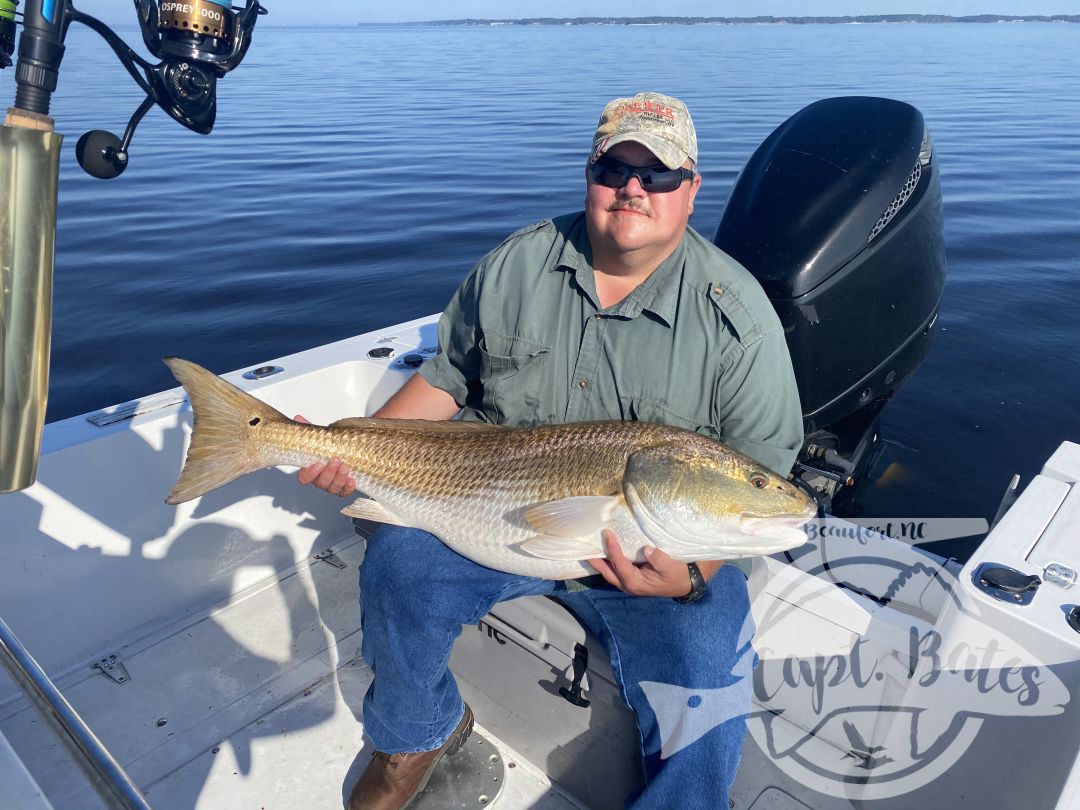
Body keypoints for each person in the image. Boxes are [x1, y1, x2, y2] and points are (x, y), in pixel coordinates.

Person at [298, 92, 804, 810]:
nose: (633, 189)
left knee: (708, 666)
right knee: (400, 567)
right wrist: (351, 448)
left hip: (662, 552)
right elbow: (447, 378)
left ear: (690, 191)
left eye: (657, 175)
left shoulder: (739, 320)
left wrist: (693, 574)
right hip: (495, 513)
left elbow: (757, 467)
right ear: (589, 174)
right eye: (614, 169)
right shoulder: (518, 265)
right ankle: (418, 737)